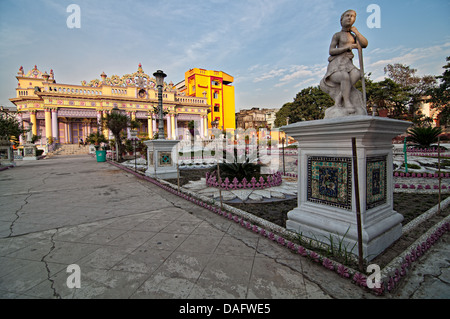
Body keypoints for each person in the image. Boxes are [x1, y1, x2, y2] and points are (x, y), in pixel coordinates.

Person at [321, 10, 368, 116]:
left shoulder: (353, 36)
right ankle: (346, 102)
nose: (350, 18)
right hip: (337, 65)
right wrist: (347, 47)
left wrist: (356, 32)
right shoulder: (337, 35)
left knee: (357, 73)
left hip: (348, 64)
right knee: (344, 77)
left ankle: (339, 97)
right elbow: (331, 51)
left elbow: (364, 44)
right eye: (347, 16)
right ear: (341, 19)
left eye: (352, 16)